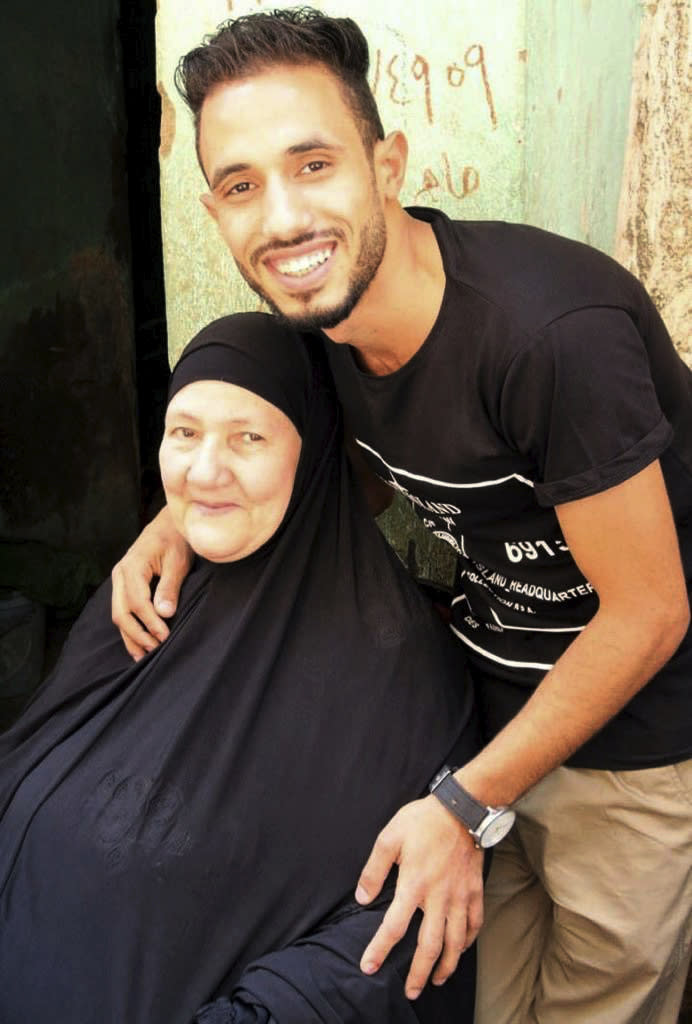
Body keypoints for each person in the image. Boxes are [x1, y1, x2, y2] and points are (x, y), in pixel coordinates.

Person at [111, 9, 692, 1023]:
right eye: (241, 185)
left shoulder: (546, 336)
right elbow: (318, 461)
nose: (282, 218)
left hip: (636, 731)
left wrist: (460, 803)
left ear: (387, 164)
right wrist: (173, 521)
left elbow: (647, 612)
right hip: (482, 711)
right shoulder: (323, 324)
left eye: (313, 164)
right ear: (213, 212)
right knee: (476, 997)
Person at [0, 313, 480, 1024]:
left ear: (311, 453)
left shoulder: (390, 670)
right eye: (184, 433)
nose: (204, 470)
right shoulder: (146, 597)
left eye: (248, 438)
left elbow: (384, 945)